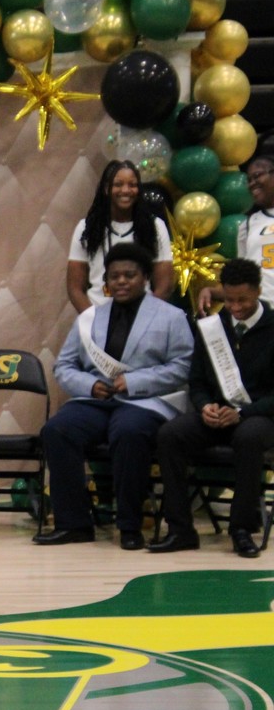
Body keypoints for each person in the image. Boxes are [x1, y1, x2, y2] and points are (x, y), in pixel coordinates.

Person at [35, 242, 193, 550]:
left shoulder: (171, 317)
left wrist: (134, 382)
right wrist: (88, 386)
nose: (121, 281)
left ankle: (129, 526)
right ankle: (74, 524)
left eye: (129, 275)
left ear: (145, 277)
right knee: (57, 430)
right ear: (105, 281)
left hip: (146, 402)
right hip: (96, 399)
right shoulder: (90, 318)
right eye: (114, 276)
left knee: (129, 432)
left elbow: (182, 367)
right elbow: (64, 366)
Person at [149, 258, 274, 558]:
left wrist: (243, 413)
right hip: (217, 415)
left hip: (261, 417)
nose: (235, 307)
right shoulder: (213, 328)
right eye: (229, 300)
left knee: (248, 438)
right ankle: (180, 530)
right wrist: (205, 406)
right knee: (170, 435)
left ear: (258, 292)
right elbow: (198, 380)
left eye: (242, 299)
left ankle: (242, 530)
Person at [67, 160, 174, 312]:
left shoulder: (155, 226)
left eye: (132, 185)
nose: (125, 190)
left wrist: (145, 318)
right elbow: (75, 288)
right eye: (118, 184)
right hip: (97, 316)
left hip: (142, 317)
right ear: (106, 189)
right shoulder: (86, 228)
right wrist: (92, 321)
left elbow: (165, 285)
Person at [234, 154, 274, 306]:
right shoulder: (248, 224)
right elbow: (241, 275)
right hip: (263, 314)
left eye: (257, 176)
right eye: (249, 180)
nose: (252, 184)